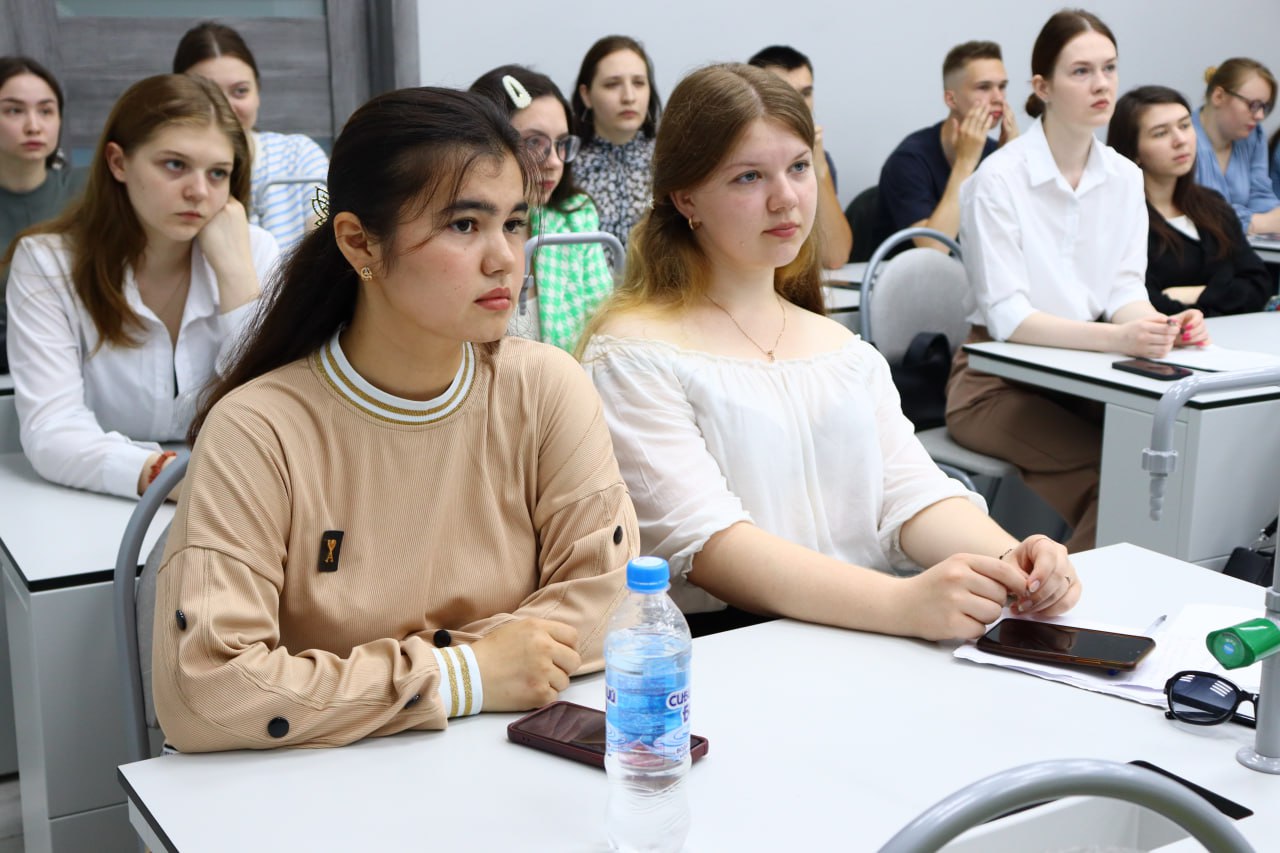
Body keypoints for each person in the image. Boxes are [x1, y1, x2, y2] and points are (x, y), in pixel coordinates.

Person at [151, 87, 636, 753]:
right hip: (319, 784)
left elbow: (614, 605)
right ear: (360, 243)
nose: (504, 257)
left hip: (502, 764)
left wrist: (431, 678)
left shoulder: (548, 387)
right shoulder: (257, 430)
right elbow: (206, 690)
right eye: (464, 225)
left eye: (515, 223)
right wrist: (464, 674)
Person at [579, 63, 1078, 643]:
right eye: (748, 177)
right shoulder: (632, 352)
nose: (785, 199)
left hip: (860, 631)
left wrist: (1015, 559)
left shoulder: (840, 349)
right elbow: (710, 545)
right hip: (730, 651)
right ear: (686, 197)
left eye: (798, 167)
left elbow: (909, 494)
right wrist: (902, 603)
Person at [946, 10, 1208, 554]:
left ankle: (1077, 596)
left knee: (1167, 464)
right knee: (1118, 478)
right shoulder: (999, 178)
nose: (1102, 84)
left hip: (1083, 381)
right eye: (1081, 71)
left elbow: (1124, 293)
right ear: (1042, 87)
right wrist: (1118, 338)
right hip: (993, 384)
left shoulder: (1124, 176)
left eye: (1109, 68)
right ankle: (1047, 600)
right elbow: (1009, 319)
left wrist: (1160, 326)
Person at [5, 73, 277, 498]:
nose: (198, 191)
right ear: (118, 163)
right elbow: (52, 430)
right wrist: (171, 478)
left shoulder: (253, 250)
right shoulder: (46, 262)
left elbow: (277, 409)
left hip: (238, 501)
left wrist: (236, 278)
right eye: (175, 165)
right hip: (97, 501)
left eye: (218, 173)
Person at [470, 65, 613, 352]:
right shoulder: (455, 228)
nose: (554, 162)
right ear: (484, 139)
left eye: (562, 144)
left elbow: (603, 329)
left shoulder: (575, 218)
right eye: (534, 142)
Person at [1108, 86, 1270, 316]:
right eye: (1160, 133)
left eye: (1185, 125)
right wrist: (1226, 290)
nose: (1180, 140)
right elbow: (1144, 303)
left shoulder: (1213, 205)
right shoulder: (1120, 218)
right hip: (1168, 336)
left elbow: (1259, 285)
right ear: (1133, 151)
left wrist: (1194, 294)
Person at [173, 21, 330, 250]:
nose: (226, 107)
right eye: (208, 94)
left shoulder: (299, 155)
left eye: (240, 91)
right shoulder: (173, 177)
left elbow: (327, 238)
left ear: (257, 91)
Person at [877, 41, 1017, 252]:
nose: (998, 98)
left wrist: (1012, 162)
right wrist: (965, 162)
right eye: (984, 87)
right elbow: (934, 248)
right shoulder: (907, 160)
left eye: (1002, 86)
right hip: (910, 271)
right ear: (951, 99)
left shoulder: (995, 152)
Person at [0, 56, 86, 371]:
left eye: (46, 111)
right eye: (14, 111)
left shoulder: (88, 190)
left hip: (82, 357)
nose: (33, 126)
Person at [748, 46, 853, 268]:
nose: (799, 105)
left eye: (805, 93)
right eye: (784, 93)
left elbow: (834, 256)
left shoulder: (815, 159)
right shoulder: (739, 161)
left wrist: (818, 166)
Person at [571, 35, 661, 261]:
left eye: (638, 83)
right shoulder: (564, 163)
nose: (629, 97)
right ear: (586, 95)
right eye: (612, 84)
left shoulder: (669, 159)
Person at [1191, 58, 1280, 235]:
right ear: (1218, 96)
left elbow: (1260, 195)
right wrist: (1254, 224)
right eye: (1253, 105)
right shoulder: (1182, 141)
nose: (1260, 116)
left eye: (1264, 107)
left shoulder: (1253, 136)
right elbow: (1194, 211)